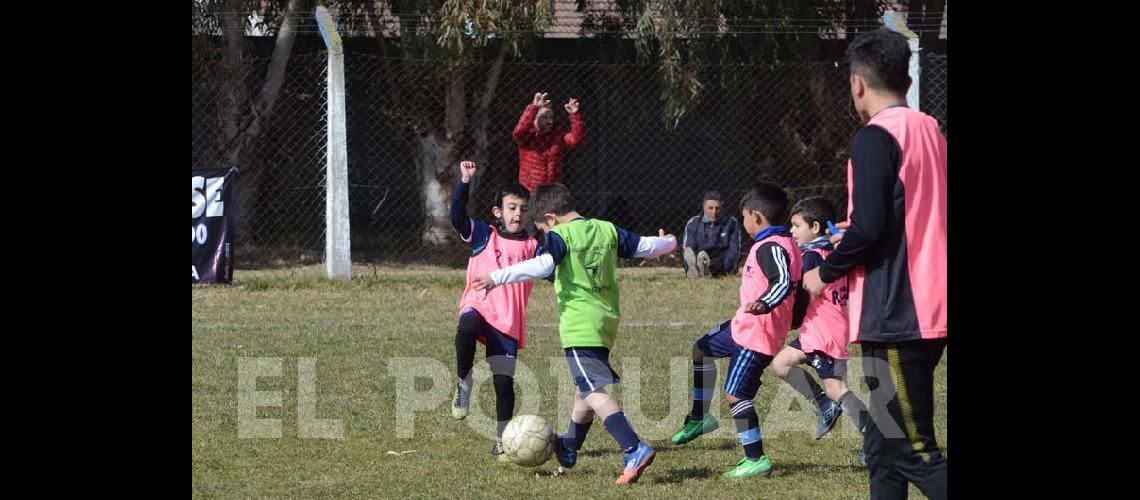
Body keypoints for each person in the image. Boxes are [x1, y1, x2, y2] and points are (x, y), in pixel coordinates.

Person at [802, 29, 948, 500]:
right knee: (885, 447)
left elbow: (867, 228)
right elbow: (906, 214)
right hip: (928, 301)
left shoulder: (873, 138)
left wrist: (822, 273)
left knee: (912, 450)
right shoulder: (929, 128)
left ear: (857, 84)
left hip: (896, 312)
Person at [473, 183, 676, 484]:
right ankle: (568, 446)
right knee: (583, 388)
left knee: (593, 391)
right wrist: (669, 243)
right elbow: (647, 246)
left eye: (542, 228)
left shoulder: (560, 236)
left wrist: (497, 277)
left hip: (580, 326)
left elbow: (542, 265)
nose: (544, 235)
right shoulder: (606, 229)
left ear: (551, 218)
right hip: (606, 323)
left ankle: (633, 447)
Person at [669, 182, 802, 480]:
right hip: (743, 325)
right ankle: (700, 417)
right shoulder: (782, 243)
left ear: (756, 217)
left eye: (744, 217)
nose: (743, 223)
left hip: (757, 336)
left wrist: (766, 303)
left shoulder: (772, 247)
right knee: (701, 349)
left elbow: (781, 281)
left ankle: (755, 459)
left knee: (736, 394)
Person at [448, 161, 538, 463]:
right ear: (498, 212)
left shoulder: (535, 246)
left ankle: (502, 439)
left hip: (508, 321)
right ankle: (463, 382)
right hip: (479, 305)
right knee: (466, 328)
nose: (518, 214)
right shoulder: (483, 235)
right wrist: (464, 182)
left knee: (503, 382)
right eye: (512, 208)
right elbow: (457, 217)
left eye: (523, 209)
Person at [512, 92, 586, 193]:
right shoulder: (527, 137)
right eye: (544, 117)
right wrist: (533, 107)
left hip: (553, 192)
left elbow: (577, 139)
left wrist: (575, 115)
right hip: (530, 191)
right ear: (534, 118)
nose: (549, 121)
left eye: (551, 117)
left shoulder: (558, 135)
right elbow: (518, 133)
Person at [682, 191, 742, 278]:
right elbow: (689, 247)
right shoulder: (693, 223)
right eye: (710, 208)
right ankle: (695, 270)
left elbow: (734, 250)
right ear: (704, 207)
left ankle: (706, 270)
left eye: (718, 208)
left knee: (716, 259)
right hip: (699, 256)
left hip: (720, 262)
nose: (714, 211)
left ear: (722, 208)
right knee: (693, 254)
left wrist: (727, 268)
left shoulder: (731, 223)